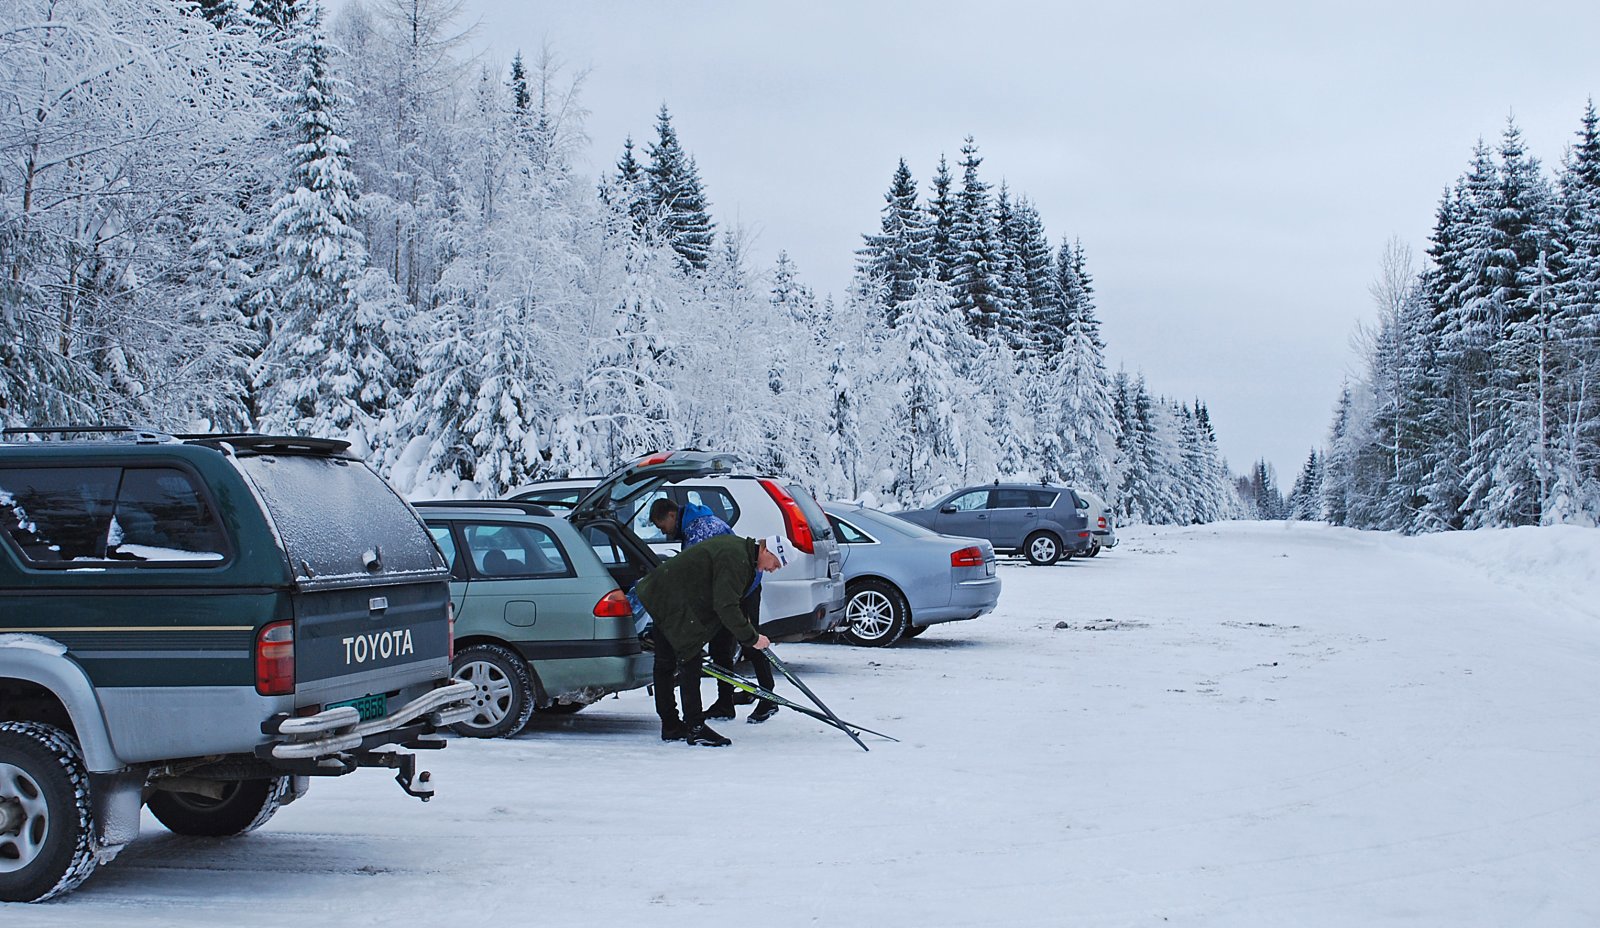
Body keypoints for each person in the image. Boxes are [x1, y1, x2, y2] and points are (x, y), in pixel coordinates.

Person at [634, 533, 788, 747]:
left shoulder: (741, 554)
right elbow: (726, 605)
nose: (773, 569)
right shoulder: (737, 559)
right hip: (672, 599)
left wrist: (747, 631)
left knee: (667, 664)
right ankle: (694, 727)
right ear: (766, 550)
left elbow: (727, 601)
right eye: (776, 564)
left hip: (668, 594)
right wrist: (752, 638)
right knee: (687, 661)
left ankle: (671, 726)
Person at [648, 498, 780, 724]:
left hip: (743, 587)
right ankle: (725, 702)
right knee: (721, 647)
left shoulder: (699, 530)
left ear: (671, 515)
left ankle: (768, 697)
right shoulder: (693, 524)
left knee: (751, 639)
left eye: (662, 526)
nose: (664, 532)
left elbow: (696, 575)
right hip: (727, 589)